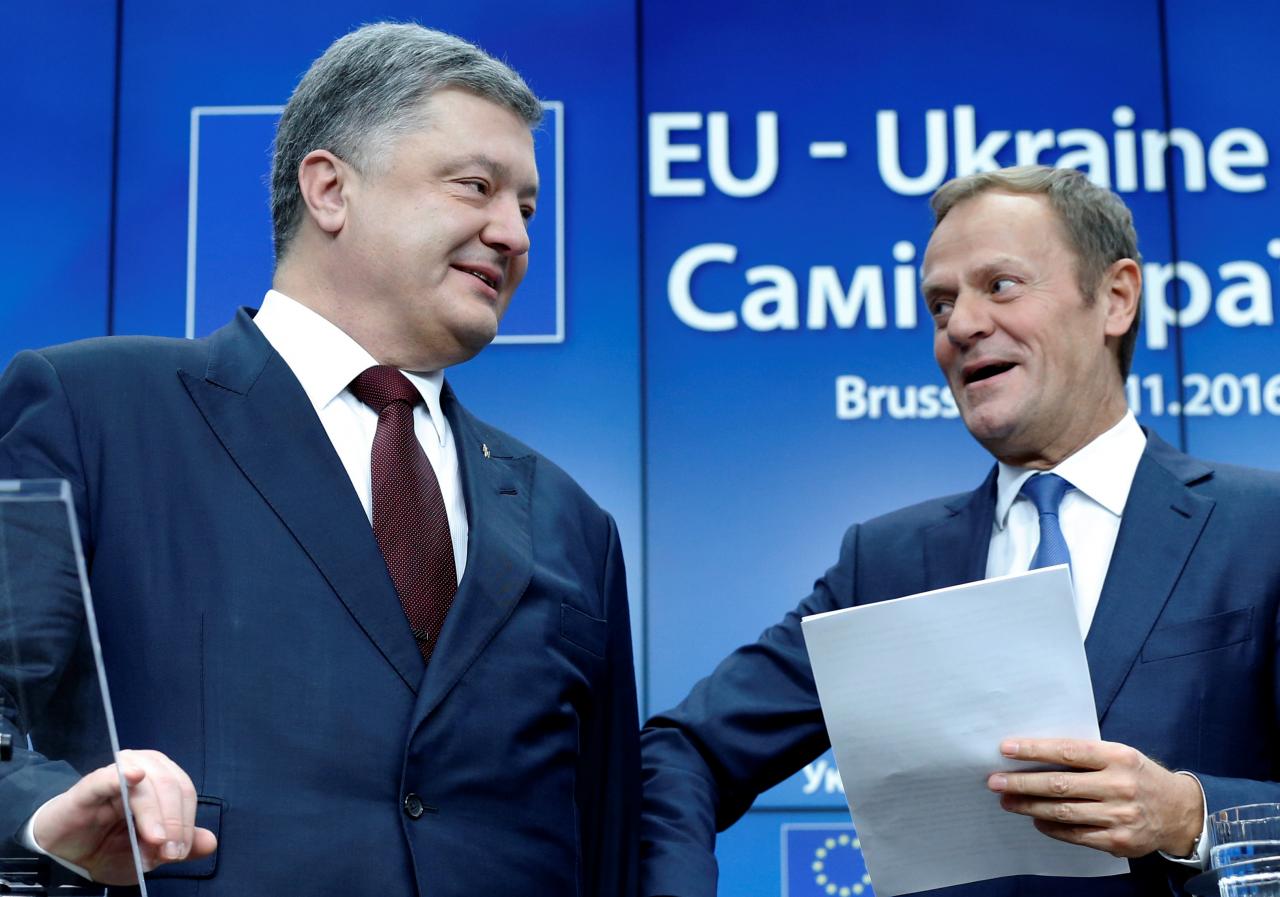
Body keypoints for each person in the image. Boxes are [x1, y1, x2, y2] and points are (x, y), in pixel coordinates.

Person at [0, 23, 639, 897]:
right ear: (330, 189)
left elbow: (605, 844)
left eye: (526, 208)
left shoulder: (574, 523)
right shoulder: (92, 411)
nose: (514, 234)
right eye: (476, 187)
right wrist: (47, 818)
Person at [640, 165, 1280, 897]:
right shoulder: (884, 563)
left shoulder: (1261, 529)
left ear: (1115, 297)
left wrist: (1191, 815)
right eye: (940, 303)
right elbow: (684, 750)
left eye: (1000, 285)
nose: (963, 325)